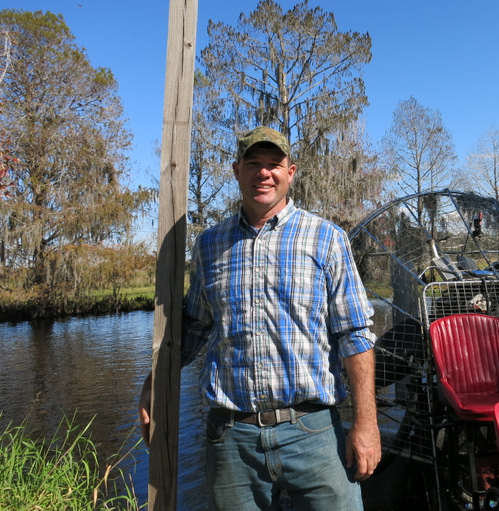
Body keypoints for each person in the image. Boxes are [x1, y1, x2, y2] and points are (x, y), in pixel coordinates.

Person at [139, 126, 380, 510]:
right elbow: (194, 328)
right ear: (237, 171)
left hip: (314, 433)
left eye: (274, 164)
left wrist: (366, 424)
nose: (263, 173)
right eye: (253, 163)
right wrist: (155, 383)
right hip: (232, 440)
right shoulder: (209, 245)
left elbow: (354, 335)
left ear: (292, 172)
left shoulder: (327, 239)